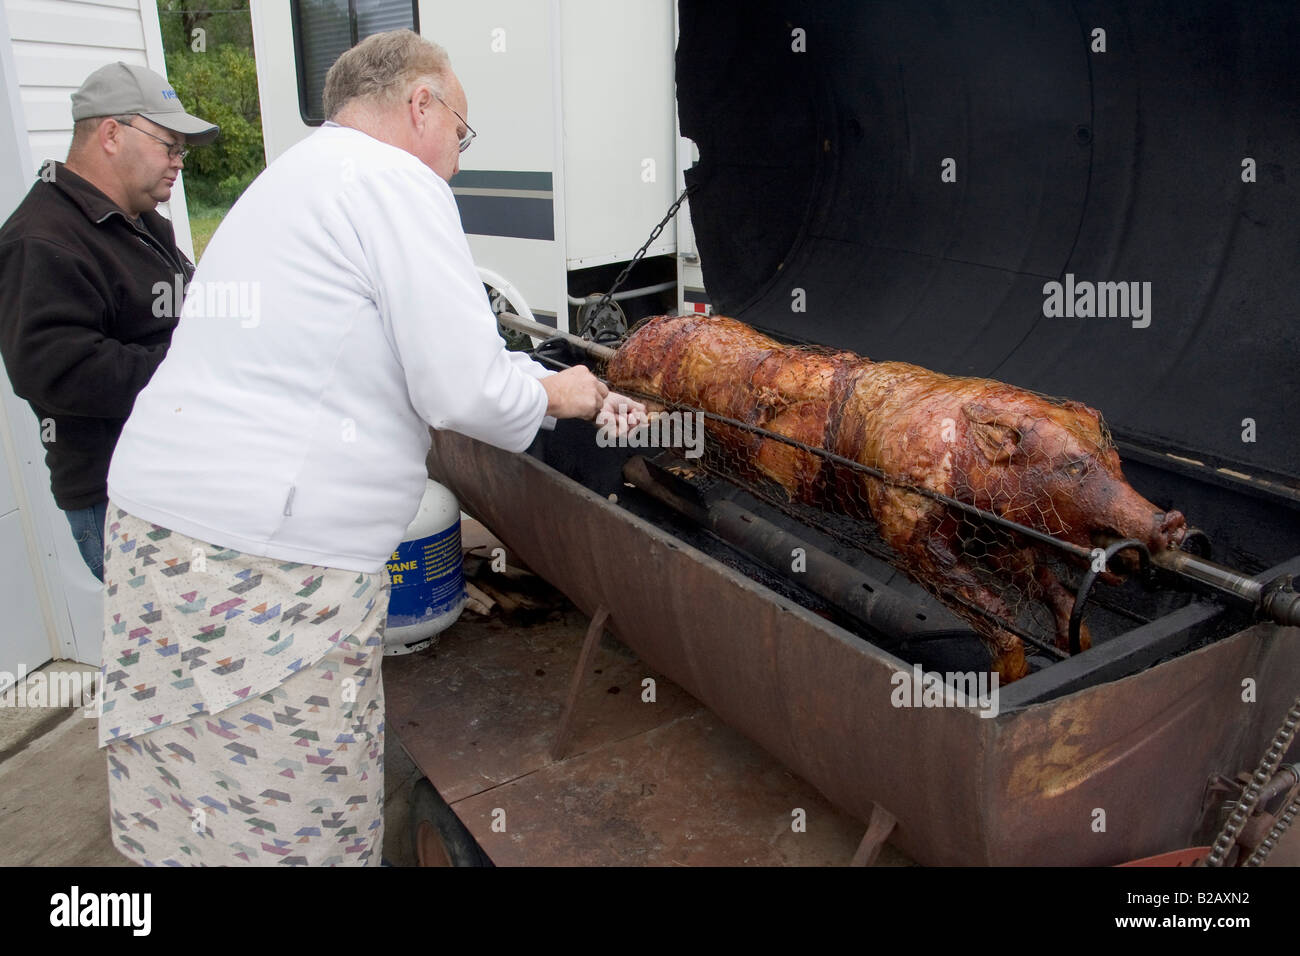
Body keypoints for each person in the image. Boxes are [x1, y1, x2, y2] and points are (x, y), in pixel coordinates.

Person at [98, 30, 646, 866]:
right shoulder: (396, 182)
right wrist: (555, 392)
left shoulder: (293, 176)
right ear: (421, 104)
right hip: (264, 564)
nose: (457, 162)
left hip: (158, 534)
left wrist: (513, 370)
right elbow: (459, 389)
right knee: (295, 821)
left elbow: (415, 344)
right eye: (460, 134)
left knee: (191, 799)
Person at [0, 63, 218, 582]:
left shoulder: (135, 219)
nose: (178, 162)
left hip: (174, 484)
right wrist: (199, 363)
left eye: (181, 150)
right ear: (112, 133)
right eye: (169, 144)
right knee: (185, 652)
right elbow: (59, 370)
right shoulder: (42, 238)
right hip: (122, 502)